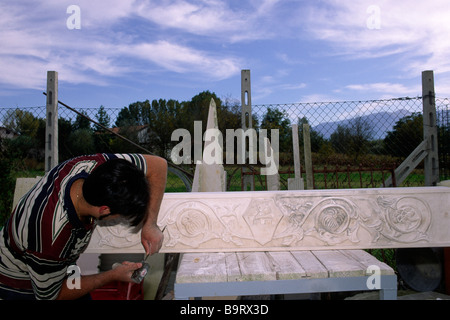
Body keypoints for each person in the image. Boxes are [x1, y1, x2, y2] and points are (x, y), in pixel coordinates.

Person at [0, 153, 167, 300]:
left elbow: (158, 165)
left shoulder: (97, 166)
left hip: (59, 266)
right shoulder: (50, 237)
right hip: (19, 281)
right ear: (104, 210)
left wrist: (150, 224)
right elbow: (53, 296)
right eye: (120, 216)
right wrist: (113, 275)